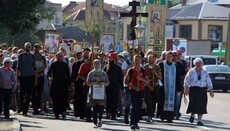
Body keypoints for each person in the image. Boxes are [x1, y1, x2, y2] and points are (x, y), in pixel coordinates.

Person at [184, 58, 214, 126]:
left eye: (200, 63)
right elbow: (187, 80)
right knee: (193, 103)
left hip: (202, 90)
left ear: (202, 64)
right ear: (195, 64)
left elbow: (208, 81)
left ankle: (199, 120)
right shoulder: (191, 71)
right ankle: (192, 115)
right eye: (197, 63)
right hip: (193, 89)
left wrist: (211, 90)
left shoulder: (205, 72)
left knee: (202, 104)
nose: (199, 65)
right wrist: (186, 88)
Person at [125, 55, 149, 129]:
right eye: (136, 60)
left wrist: (141, 78)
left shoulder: (143, 71)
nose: (137, 61)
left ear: (141, 60)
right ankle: (132, 123)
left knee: (139, 108)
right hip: (133, 91)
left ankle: (136, 122)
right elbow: (126, 82)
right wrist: (134, 87)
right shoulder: (131, 70)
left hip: (141, 91)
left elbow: (147, 81)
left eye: (138, 60)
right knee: (134, 107)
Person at [158, 51, 181, 122]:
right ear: (165, 57)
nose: (169, 58)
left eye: (170, 57)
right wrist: (160, 85)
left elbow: (178, 77)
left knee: (171, 101)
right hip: (163, 87)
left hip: (172, 88)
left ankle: (170, 117)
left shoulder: (175, 65)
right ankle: (162, 115)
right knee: (162, 101)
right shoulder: (161, 64)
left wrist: (179, 88)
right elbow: (158, 76)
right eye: (168, 56)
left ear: (172, 58)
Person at [86, 59, 110, 128]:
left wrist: (103, 83)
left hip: (101, 94)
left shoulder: (104, 73)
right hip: (93, 93)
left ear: (100, 65)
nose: (97, 65)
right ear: (93, 65)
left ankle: (100, 119)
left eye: (98, 63)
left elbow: (108, 83)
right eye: (95, 63)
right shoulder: (91, 73)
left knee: (101, 108)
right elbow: (87, 83)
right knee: (94, 108)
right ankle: (95, 121)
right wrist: (93, 83)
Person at [48, 51, 71, 119]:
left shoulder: (65, 65)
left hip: (63, 84)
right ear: (56, 57)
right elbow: (49, 73)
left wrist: (69, 84)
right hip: (55, 83)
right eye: (59, 56)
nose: (60, 58)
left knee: (63, 98)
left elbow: (68, 75)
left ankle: (63, 111)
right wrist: (50, 78)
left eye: (61, 56)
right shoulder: (53, 64)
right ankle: (56, 113)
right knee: (55, 99)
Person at [17, 42, 37, 116]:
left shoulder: (32, 56)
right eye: (26, 46)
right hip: (22, 77)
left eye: (29, 47)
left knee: (29, 95)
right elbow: (18, 68)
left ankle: (25, 110)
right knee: (21, 94)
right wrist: (17, 78)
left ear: (30, 48)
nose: (28, 48)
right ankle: (21, 106)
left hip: (30, 77)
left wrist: (36, 79)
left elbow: (35, 68)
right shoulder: (21, 56)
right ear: (24, 47)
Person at [71, 48, 90, 119]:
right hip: (79, 82)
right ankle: (77, 112)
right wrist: (72, 83)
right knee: (78, 97)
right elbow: (74, 74)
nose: (86, 54)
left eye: (88, 53)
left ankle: (85, 113)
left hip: (88, 83)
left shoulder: (91, 63)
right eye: (85, 53)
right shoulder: (77, 63)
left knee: (86, 98)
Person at [104, 52, 123, 120]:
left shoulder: (118, 68)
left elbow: (121, 79)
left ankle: (113, 114)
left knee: (114, 101)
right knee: (108, 100)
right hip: (107, 86)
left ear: (114, 59)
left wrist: (122, 88)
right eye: (109, 58)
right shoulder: (106, 67)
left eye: (111, 58)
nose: (110, 59)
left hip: (116, 87)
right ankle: (107, 113)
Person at [144, 54, 162, 122]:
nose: (150, 60)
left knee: (154, 101)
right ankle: (148, 115)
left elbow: (160, 77)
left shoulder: (157, 67)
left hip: (155, 86)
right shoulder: (145, 67)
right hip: (148, 86)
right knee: (149, 101)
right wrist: (149, 86)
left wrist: (155, 73)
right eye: (149, 58)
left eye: (151, 58)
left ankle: (151, 115)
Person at [32, 44, 47, 115]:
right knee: (33, 93)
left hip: (40, 76)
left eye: (38, 47)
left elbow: (45, 65)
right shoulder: (31, 56)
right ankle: (34, 107)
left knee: (39, 93)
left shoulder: (42, 56)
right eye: (36, 47)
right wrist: (35, 72)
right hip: (32, 76)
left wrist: (38, 71)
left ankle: (37, 107)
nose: (37, 49)